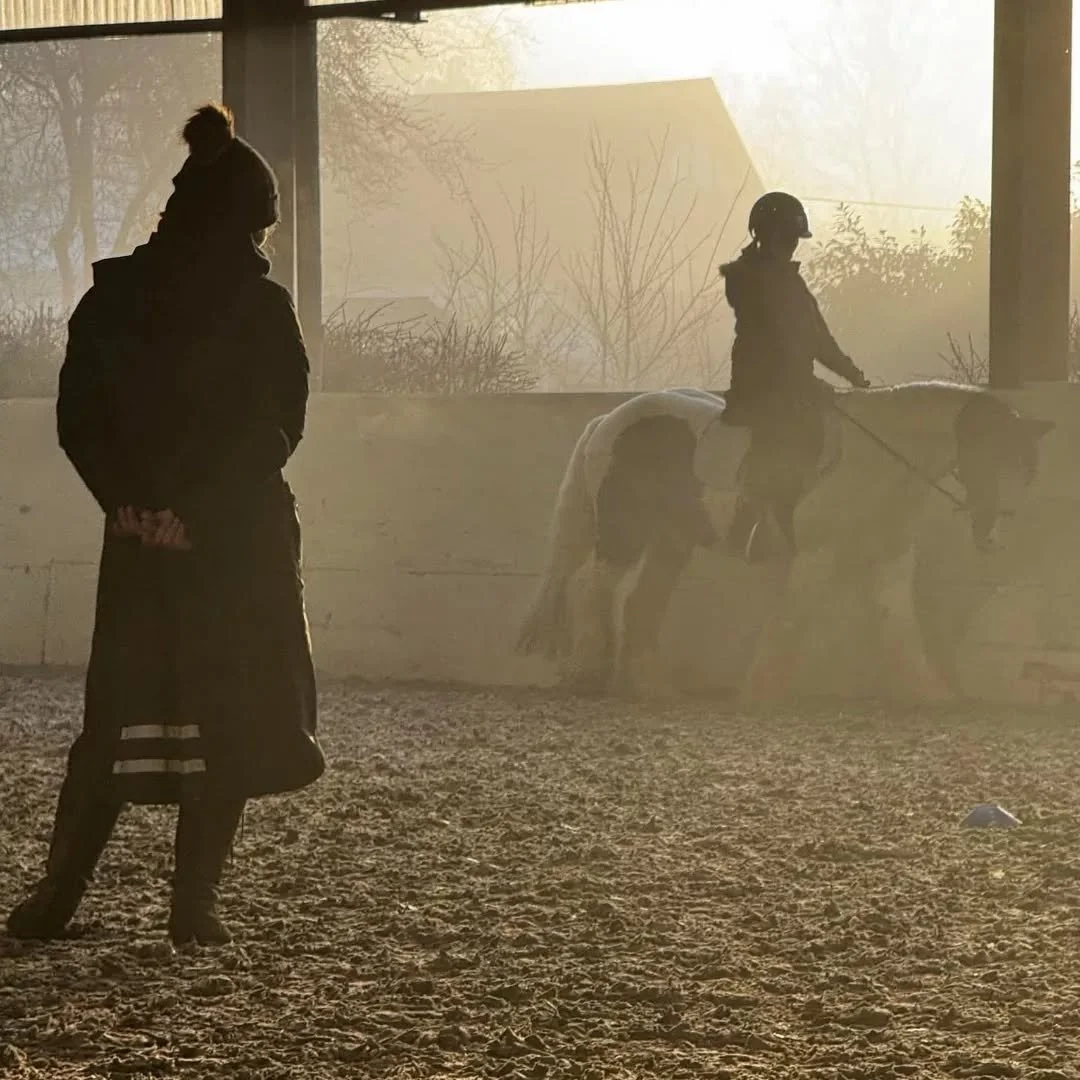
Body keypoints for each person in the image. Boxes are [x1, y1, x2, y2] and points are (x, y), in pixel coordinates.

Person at [6, 104, 325, 947]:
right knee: (230, 711)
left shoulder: (110, 299)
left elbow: (82, 421)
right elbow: (277, 428)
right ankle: (194, 906)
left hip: (138, 537)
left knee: (117, 713)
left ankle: (58, 896)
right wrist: (192, 512)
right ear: (245, 218)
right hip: (233, 540)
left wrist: (130, 506)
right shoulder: (263, 308)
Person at [719, 191, 870, 559]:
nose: (791, 246)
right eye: (786, 238)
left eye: (793, 240)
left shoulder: (789, 281)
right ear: (765, 235)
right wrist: (807, 382)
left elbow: (818, 338)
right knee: (784, 444)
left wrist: (855, 377)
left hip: (795, 387)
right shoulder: (748, 280)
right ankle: (749, 522)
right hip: (760, 388)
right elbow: (773, 343)